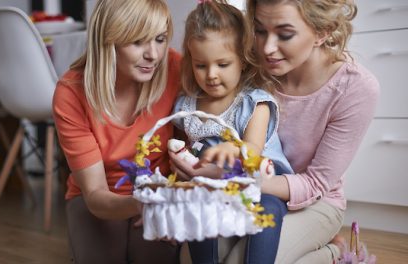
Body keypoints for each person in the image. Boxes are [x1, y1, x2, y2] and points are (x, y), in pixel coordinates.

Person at [170, 0, 380, 263]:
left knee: (241, 260)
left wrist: (230, 179)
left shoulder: (355, 89)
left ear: (322, 30)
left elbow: (315, 184)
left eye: (285, 34)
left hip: (314, 200)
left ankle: (332, 252)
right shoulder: (250, 63)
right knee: (190, 258)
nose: (266, 48)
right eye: (259, 29)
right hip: (245, 191)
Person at [52, 0, 181, 263]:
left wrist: (169, 201)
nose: (154, 55)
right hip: (99, 198)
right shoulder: (71, 93)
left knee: (152, 254)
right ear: (107, 42)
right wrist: (141, 203)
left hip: (161, 191)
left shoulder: (176, 68)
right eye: (137, 42)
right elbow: (96, 194)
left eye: (160, 39)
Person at [171, 1, 293, 263]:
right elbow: (184, 149)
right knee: (195, 204)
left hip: (261, 184)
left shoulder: (254, 103)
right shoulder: (187, 105)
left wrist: (233, 147)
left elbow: (253, 150)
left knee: (268, 209)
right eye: (201, 65)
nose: (211, 75)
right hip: (214, 187)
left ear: (243, 60)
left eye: (223, 64)